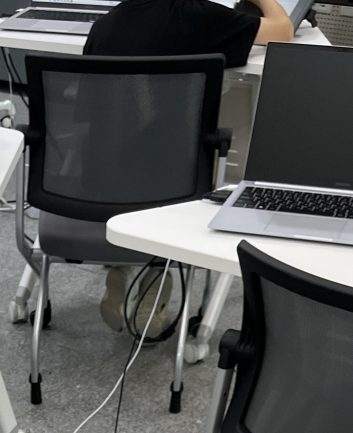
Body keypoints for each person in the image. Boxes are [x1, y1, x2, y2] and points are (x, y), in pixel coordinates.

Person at [85, 0, 294, 334]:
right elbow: (282, 31)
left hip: (97, 182)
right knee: (200, 148)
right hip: (175, 187)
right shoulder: (200, 17)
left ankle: (129, 269)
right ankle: (154, 273)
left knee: (147, 147)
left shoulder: (106, 25)